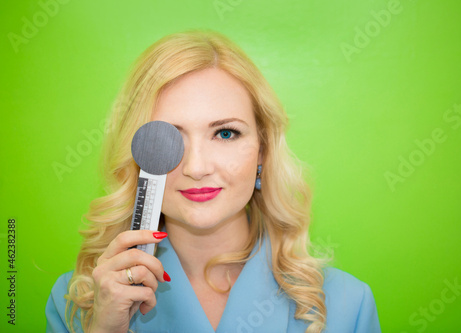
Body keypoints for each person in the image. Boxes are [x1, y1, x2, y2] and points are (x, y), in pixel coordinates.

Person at [45, 30, 381, 333]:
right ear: (138, 155)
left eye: (225, 133)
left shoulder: (346, 306)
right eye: (170, 138)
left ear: (262, 150)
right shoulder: (75, 305)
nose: (196, 166)